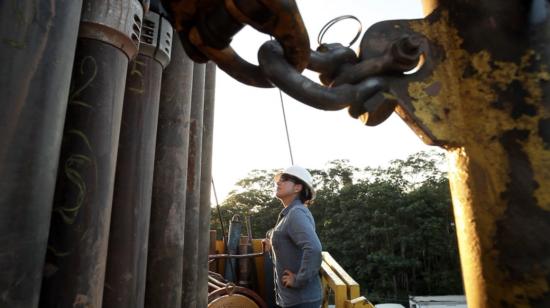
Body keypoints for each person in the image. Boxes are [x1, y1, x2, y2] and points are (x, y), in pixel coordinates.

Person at [264, 165, 323, 308]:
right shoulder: (289, 214)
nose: (278, 182)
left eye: (284, 180)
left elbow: (314, 249)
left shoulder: (296, 213)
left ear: (297, 187)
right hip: (293, 299)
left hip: (301, 300)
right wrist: (272, 244)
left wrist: (298, 280)